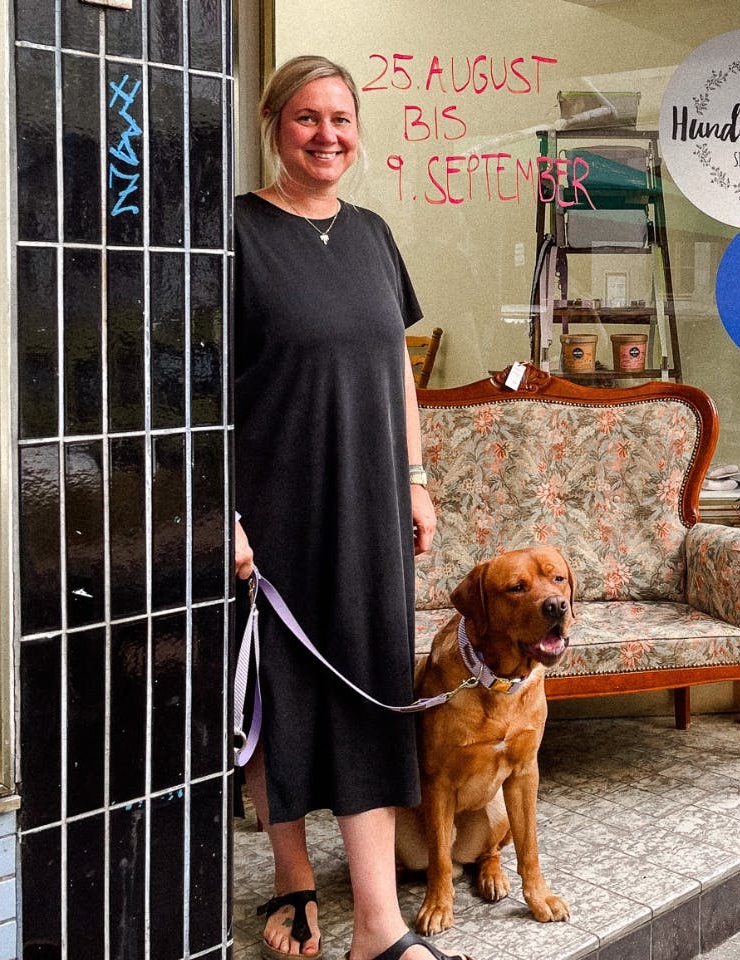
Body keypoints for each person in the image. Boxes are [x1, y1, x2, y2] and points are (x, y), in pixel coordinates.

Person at [233, 55, 465, 960]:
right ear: (273, 125)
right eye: (305, 119)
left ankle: (379, 926)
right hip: (275, 509)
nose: (326, 135)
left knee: (368, 695)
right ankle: (292, 882)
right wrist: (226, 518)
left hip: (368, 504)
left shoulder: (371, 233)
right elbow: (196, 399)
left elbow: (396, 368)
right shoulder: (237, 234)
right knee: (280, 697)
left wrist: (412, 474)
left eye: (340, 118)